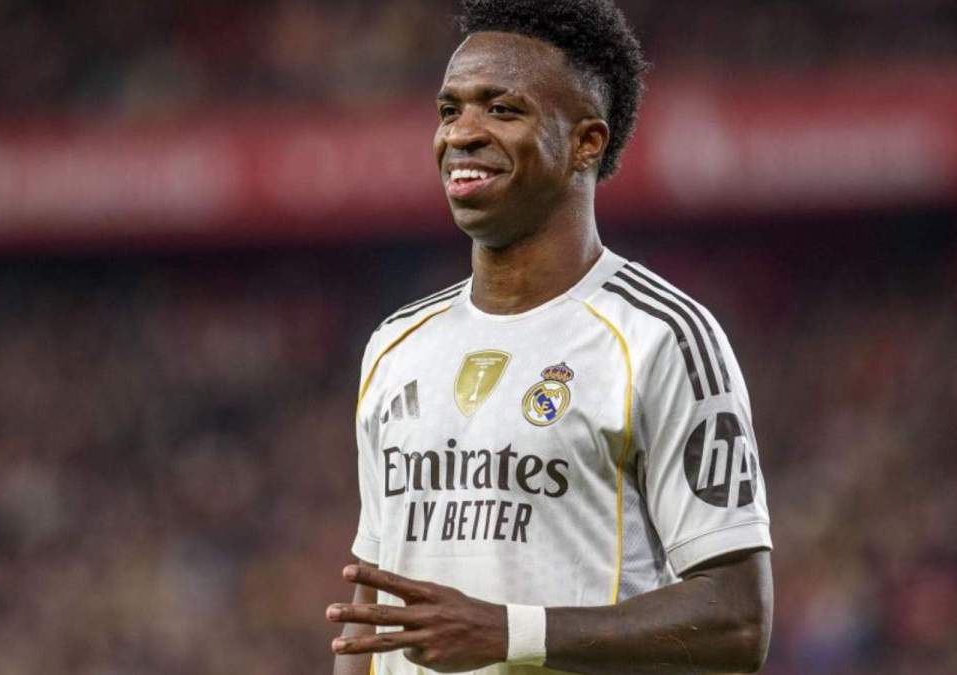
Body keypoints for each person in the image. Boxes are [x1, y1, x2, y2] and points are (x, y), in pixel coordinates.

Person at [327, 1, 773, 672]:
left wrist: (513, 633)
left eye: (503, 110)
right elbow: (371, 613)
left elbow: (738, 621)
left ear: (586, 143)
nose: (463, 134)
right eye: (450, 110)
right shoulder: (395, 346)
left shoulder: (662, 338)